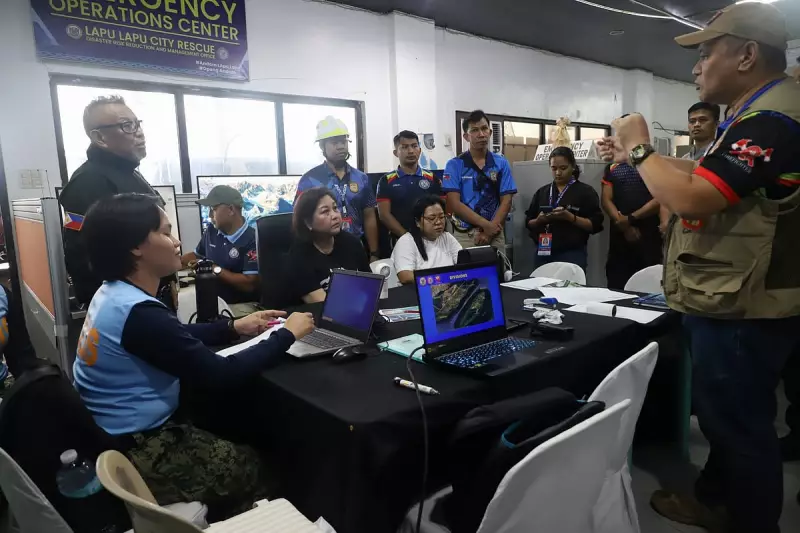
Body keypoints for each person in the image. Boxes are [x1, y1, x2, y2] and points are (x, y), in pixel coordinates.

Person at [597, 4, 800, 531]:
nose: (697, 65)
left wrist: (642, 144)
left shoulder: (772, 119)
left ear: (748, 54)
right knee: (725, 417)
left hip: (743, 305)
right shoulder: (755, 114)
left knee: (739, 425)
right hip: (736, 294)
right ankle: (716, 500)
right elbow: (709, 171)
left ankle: (752, 521)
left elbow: (694, 199)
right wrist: (645, 160)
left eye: (708, 52)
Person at [74, 193, 315, 520]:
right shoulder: (140, 313)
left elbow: (169, 338)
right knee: (265, 466)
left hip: (115, 433)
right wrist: (287, 334)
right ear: (135, 246)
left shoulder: (113, 294)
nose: (176, 242)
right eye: (164, 232)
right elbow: (221, 374)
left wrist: (234, 327)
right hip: (144, 448)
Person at [59, 95, 176, 308]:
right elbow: (83, 253)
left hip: (152, 295)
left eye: (137, 124)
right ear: (100, 138)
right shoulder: (88, 182)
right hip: (128, 306)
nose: (139, 132)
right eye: (126, 126)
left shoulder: (129, 173)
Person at [294, 116, 380, 262]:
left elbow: (369, 216)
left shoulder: (362, 178)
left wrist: (374, 253)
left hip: (356, 248)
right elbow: (300, 219)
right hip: (321, 251)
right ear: (322, 147)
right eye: (335, 143)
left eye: (343, 142)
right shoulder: (309, 180)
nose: (341, 146)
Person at [444, 110, 517, 249]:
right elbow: (454, 203)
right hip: (464, 234)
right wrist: (486, 226)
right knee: (465, 271)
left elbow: (506, 200)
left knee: (499, 270)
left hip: (495, 233)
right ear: (466, 136)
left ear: (490, 132)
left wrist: (490, 231)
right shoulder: (454, 164)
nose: (481, 134)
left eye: (484, 129)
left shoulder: (501, 163)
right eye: (475, 130)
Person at [180, 185, 259, 314]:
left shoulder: (253, 239)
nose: (210, 215)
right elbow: (197, 255)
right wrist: (174, 263)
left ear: (231, 209)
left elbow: (249, 284)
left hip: (242, 306)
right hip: (214, 300)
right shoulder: (212, 231)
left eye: (213, 209)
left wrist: (214, 269)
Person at [286, 187, 370, 303]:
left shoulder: (352, 243)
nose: (335, 215)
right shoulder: (299, 255)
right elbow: (319, 301)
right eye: (325, 212)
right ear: (308, 222)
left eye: (335, 208)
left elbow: (369, 286)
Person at [525, 147, 603, 271]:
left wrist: (570, 217)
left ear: (572, 167)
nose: (558, 173)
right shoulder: (542, 192)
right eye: (554, 168)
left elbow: (595, 225)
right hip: (543, 251)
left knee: (570, 288)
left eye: (563, 168)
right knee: (541, 287)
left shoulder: (585, 192)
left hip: (572, 253)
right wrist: (539, 220)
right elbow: (529, 222)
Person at [600, 162, 661, 290]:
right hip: (619, 239)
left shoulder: (656, 164)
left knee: (649, 285)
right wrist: (625, 225)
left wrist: (632, 217)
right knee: (617, 286)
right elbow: (606, 199)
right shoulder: (613, 167)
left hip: (649, 237)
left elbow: (660, 198)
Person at [377, 131, 445, 242]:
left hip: (431, 239)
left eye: (414, 146)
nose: (410, 151)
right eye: (404, 147)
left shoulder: (432, 178)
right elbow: (384, 215)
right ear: (396, 153)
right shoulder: (386, 181)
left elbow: (442, 209)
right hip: (400, 239)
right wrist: (407, 238)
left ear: (420, 150)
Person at [391, 196, 462, 284]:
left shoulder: (446, 237)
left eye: (441, 217)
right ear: (417, 222)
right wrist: (440, 279)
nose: (438, 222)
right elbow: (405, 276)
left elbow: (463, 263)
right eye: (432, 218)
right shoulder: (406, 241)